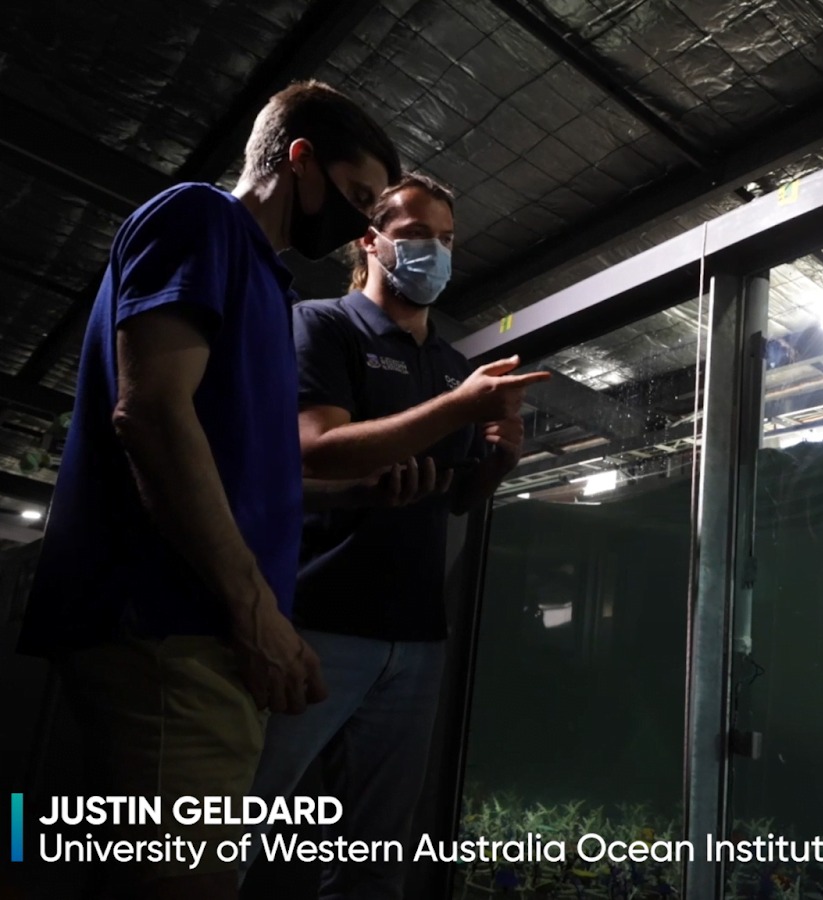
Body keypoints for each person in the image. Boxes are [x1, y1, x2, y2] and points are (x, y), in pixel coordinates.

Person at [17, 81, 401, 899]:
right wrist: (255, 611)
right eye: (358, 196)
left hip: (197, 635)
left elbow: (231, 463)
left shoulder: (269, 286)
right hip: (172, 628)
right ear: (300, 161)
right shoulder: (203, 218)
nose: (364, 224)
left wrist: (350, 496)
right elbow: (150, 413)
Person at [240, 172, 547, 899]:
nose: (435, 254)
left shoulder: (450, 367)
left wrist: (499, 459)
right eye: (415, 237)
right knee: (234, 823)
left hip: (416, 638)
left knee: (375, 853)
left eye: (446, 240)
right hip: (315, 622)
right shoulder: (322, 325)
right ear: (370, 241)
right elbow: (316, 447)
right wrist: (455, 411)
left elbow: (459, 499)